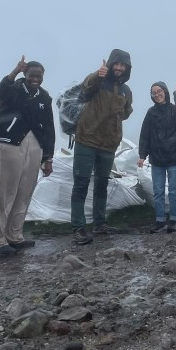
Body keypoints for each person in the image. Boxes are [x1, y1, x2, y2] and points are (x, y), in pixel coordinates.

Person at [0, 56, 55, 257]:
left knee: (25, 191)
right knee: (5, 192)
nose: (36, 79)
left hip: (34, 145)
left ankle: (14, 235)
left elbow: (49, 128)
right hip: (10, 143)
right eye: (32, 75)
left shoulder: (44, 97)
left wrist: (48, 157)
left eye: (39, 76)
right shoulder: (14, 89)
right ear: (26, 75)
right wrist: (14, 70)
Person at [70, 49, 133, 245]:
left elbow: (126, 112)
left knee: (102, 185)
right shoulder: (98, 80)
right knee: (80, 184)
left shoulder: (126, 90)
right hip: (87, 140)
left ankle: (99, 224)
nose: (120, 68)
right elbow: (85, 88)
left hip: (109, 144)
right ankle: (78, 227)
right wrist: (98, 74)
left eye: (123, 65)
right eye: (117, 63)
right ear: (111, 63)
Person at [138, 82, 176, 233]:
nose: (157, 94)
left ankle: (174, 220)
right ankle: (160, 221)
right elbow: (145, 135)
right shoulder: (151, 113)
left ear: (165, 91)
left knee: (174, 191)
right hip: (156, 159)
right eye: (153, 93)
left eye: (159, 91)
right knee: (158, 192)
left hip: (174, 159)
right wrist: (142, 156)